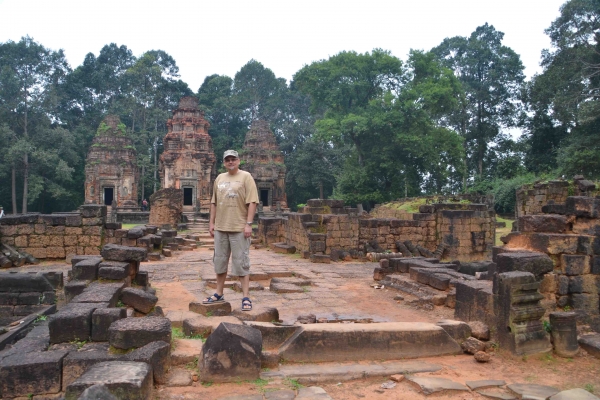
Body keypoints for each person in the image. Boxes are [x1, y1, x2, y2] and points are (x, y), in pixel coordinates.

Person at [204, 150, 258, 311]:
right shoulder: (219, 178)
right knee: (219, 261)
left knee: (241, 262)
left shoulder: (246, 177)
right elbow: (213, 202)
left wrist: (249, 224)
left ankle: (246, 297)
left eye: (233, 159)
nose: (230, 162)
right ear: (224, 162)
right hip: (221, 227)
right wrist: (211, 223)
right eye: (227, 159)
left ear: (238, 161)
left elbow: (252, 202)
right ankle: (218, 293)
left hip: (239, 227)